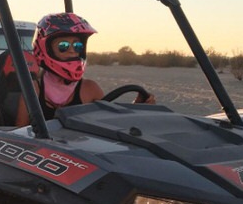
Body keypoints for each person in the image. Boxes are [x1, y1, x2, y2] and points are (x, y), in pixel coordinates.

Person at [15, 12, 154, 127]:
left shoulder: (89, 89)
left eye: (77, 46)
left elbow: (112, 126)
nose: (72, 51)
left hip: (79, 154)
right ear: (45, 49)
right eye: (63, 46)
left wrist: (139, 107)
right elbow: (19, 134)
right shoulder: (33, 89)